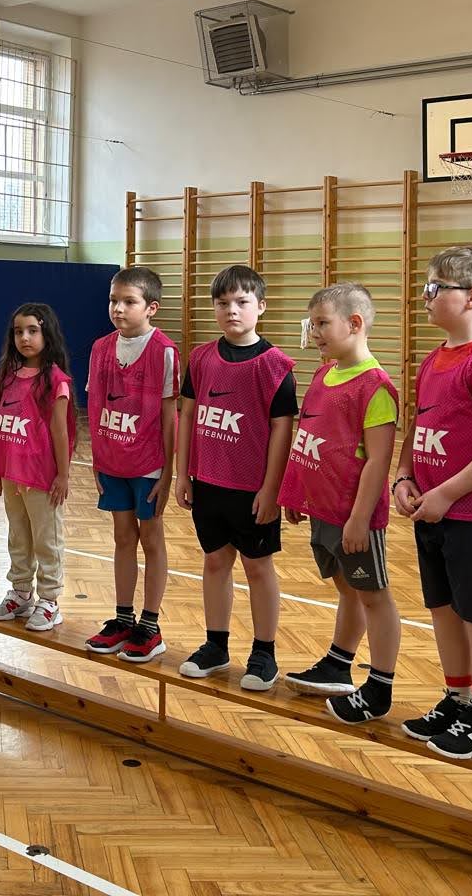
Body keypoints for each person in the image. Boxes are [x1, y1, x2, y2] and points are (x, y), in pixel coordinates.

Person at [392, 246, 472, 759]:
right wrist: (404, 475)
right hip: (432, 510)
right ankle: (458, 699)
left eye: (434, 288)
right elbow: (419, 424)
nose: (424, 296)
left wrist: (446, 493)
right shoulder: (434, 358)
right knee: (444, 611)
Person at [279, 283, 402, 725]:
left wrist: (360, 518)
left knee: (373, 596)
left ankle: (380, 686)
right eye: (311, 324)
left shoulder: (376, 387)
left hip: (355, 517)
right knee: (347, 588)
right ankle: (338, 663)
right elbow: (309, 437)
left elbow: (378, 462)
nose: (314, 333)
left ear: (354, 323)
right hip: (323, 509)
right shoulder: (322, 375)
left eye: (322, 324)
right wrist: (295, 491)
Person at [174, 265, 298, 688]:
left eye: (242, 302)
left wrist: (272, 488)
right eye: (223, 303)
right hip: (208, 482)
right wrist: (183, 473)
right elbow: (187, 415)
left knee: (258, 567)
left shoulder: (275, 365)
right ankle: (216, 645)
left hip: (252, 490)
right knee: (214, 562)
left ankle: (264, 653)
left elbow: (282, 430)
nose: (232, 310)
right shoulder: (200, 358)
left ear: (261, 306)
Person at [85, 266, 179, 663]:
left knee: (151, 539)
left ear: (151, 308)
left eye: (129, 301)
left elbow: (170, 415)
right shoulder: (100, 348)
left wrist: (169, 473)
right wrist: (96, 458)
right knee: (123, 538)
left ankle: (150, 625)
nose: (118, 309)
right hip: (112, 460)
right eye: (113, 300)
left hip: (148, 465)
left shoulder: (164, 351)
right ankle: (123, 619)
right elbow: (94, 406)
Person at [0, 302, 76, 632]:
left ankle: (50, 600)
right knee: (18, 536)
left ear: (46, 334)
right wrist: (0, 469)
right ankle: (21, 592)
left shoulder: (55, 380)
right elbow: (4, 425)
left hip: (41, 477)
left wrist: (63, 475)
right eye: (18, 332)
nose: (24, 338)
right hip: (12, 474)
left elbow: (60, 432)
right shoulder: (8, 378)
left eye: (32, 331)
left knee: (46, 539)